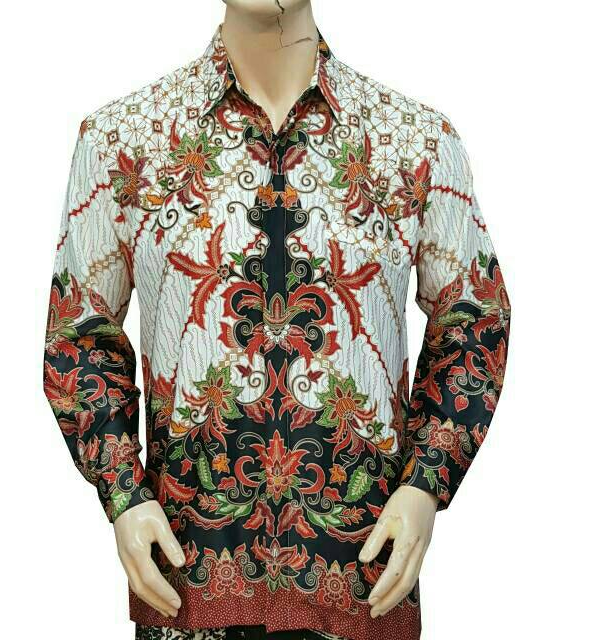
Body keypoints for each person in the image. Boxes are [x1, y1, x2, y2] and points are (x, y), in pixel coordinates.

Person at [43, 1, 511, 638]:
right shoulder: (124, 142)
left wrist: (427, 480)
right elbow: (80, 332)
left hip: (360, 584)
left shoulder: (414, 142)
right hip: (188, 584)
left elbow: (474, 318)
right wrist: (122, 491)